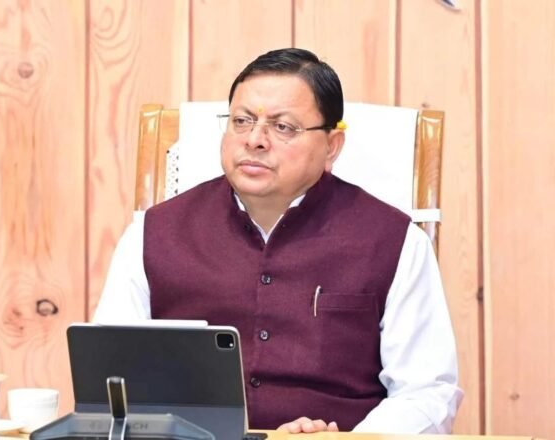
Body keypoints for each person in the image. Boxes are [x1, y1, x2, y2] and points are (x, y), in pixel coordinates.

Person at [93, 48, 463, 433]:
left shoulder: (395, 241)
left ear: (332, 146)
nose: (255, 140)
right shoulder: (152, 234)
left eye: (283, 127)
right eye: (241, 121)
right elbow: (109, 380)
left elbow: (426, 392)